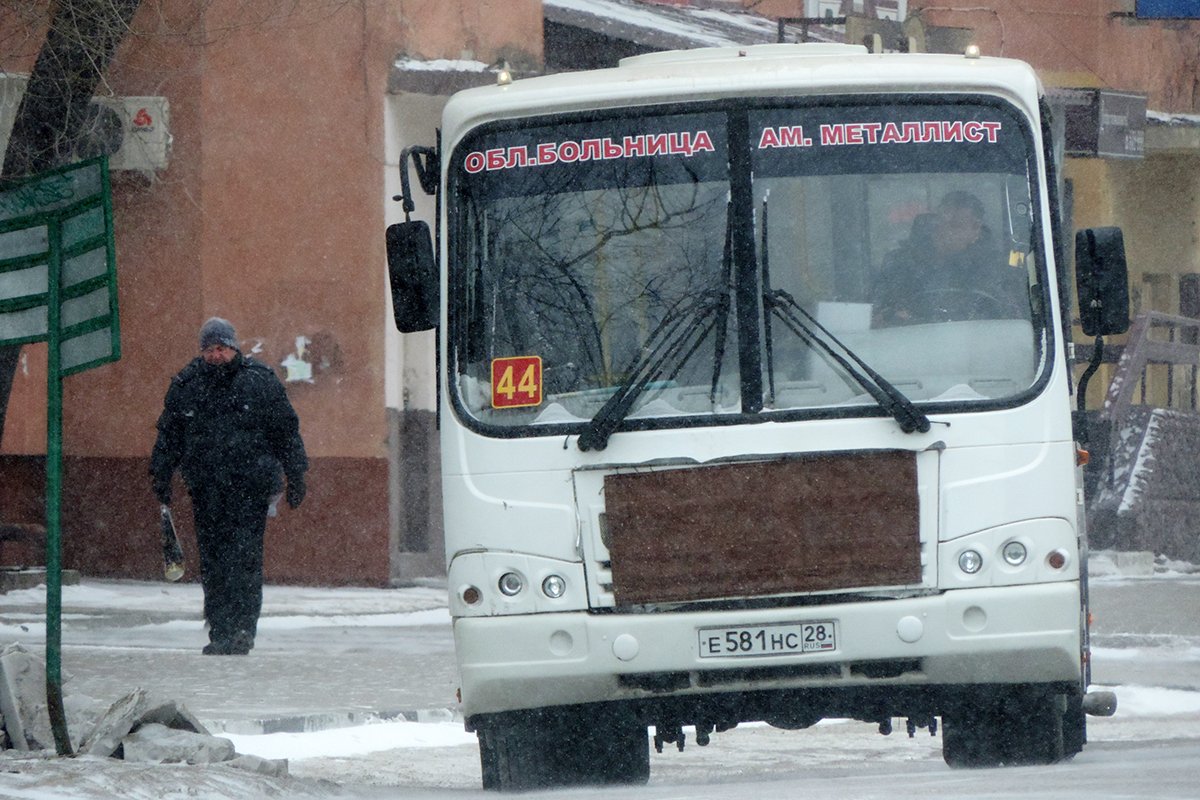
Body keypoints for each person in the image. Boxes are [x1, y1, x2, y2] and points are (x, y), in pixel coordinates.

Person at [150, 317, 308, 655]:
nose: (215, 355)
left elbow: (286, 432)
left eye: (220, 348)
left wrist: (296, 475)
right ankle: (220, 630)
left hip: (250, 489)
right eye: (209, 349)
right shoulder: (187, 385)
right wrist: (161, 475)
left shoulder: (260, 382)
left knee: (245, 559)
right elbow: (169, 435)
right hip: (207, 489)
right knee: (214, 562)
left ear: (234, 347)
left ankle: (243, 629)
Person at [872, 190, 1028, 326]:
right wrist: (891, 316)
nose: (943, 230)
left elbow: (1012, 319)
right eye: (940, 221)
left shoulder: (993, 269)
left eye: (955, 225)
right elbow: (875, 316)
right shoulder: (899, 263)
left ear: (976, 231)